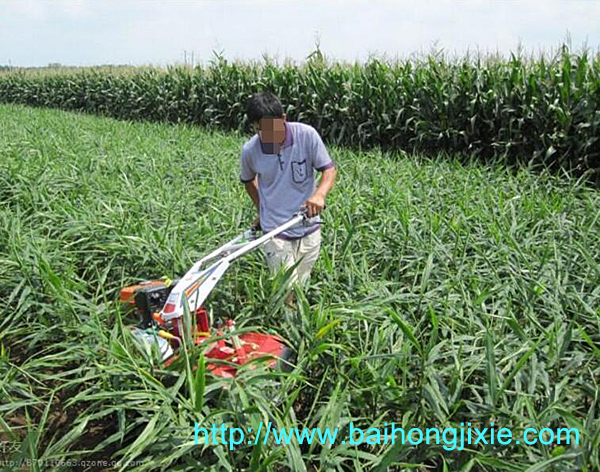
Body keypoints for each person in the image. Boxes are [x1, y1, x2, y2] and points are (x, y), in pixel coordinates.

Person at [240, 92, 337, 300]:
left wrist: (319, 195)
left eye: (270, 129)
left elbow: (329, 170)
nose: (266, 136)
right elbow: (248, 181)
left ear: (283, 119)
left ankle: (296, 325)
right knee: (286, 292)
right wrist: (262, 209)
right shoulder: (250, 150)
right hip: (276, 232)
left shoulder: (306, 136)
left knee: (301, 288)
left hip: (308, 227)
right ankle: (286, 328)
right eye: (259, 130)